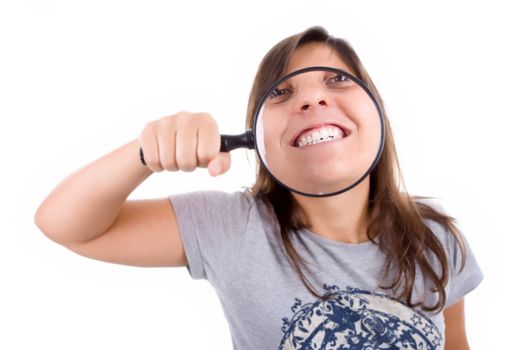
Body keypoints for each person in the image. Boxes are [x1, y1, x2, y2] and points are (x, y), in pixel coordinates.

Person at [34, 26, 483, 349]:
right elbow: (66, 225)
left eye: (338, 80)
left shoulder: (438, 239)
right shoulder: (236, 229)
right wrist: (145, 153)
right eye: (283, 92)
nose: (312, 98)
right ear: (258, 137)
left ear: (377, 112)